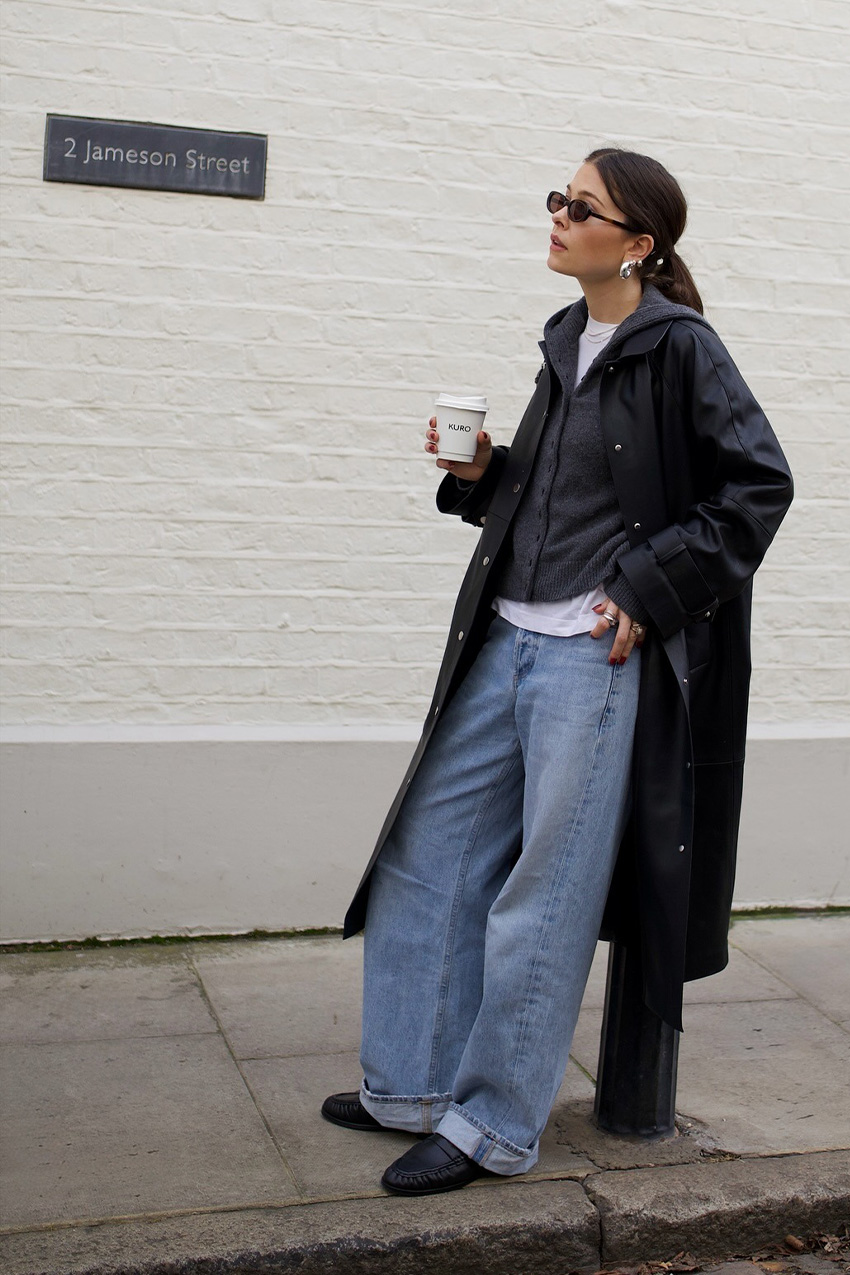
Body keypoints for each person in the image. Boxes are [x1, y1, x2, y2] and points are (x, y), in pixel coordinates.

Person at [321, 147, 793, 1196]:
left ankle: (492, 1125)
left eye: (580, 208)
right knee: (424, 857)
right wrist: (486, 474)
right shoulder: (567, 341)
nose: (556, 216)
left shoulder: (680, 349)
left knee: (544, 893)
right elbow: (560, 499)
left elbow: (757, 489)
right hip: (507, 638)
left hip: (590, 655)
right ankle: (408, 1085)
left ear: (637, 244)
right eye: (556, 198)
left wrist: (644, 589)